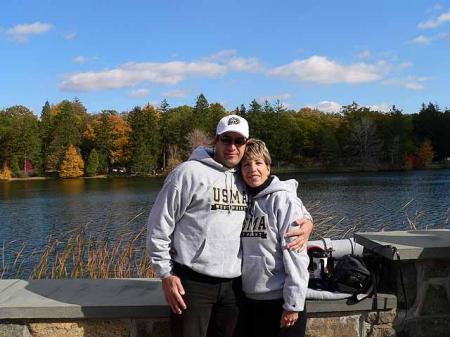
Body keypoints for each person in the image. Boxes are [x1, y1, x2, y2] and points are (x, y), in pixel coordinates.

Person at [147, 115, 313, 337]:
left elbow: (279, 192)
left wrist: (308, 220)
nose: (232, 146)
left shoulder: (243, 176)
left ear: (246, 144)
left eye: (239, 141)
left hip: (234, 288)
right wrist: (165, 274)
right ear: (215, 140)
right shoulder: (187, 173)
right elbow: (158, 226)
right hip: (193, 283)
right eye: (226, 139)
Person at [240, 138, 310, 337]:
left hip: (280, 301)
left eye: (258, 163)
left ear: (268, 167)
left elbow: (296, 253)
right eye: (246, 164)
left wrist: (293, 304)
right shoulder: (241, 198)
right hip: (249, 300)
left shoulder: (283, 200)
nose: (252, 169)